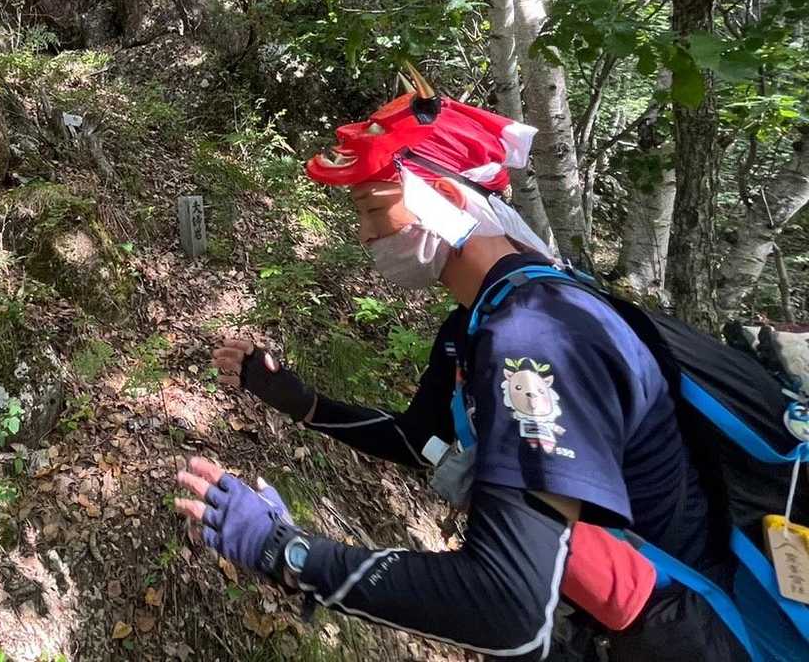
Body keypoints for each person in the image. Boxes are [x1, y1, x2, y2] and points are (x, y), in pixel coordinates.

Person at [172, 68, 747, 660]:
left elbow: (508, 606)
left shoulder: (536, 335)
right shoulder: (478, 325)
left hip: (689, 636)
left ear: (443, 198)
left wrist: (288, 553)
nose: (365, 236)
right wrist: (304, 404)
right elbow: (420, 439)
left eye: (372, 209)